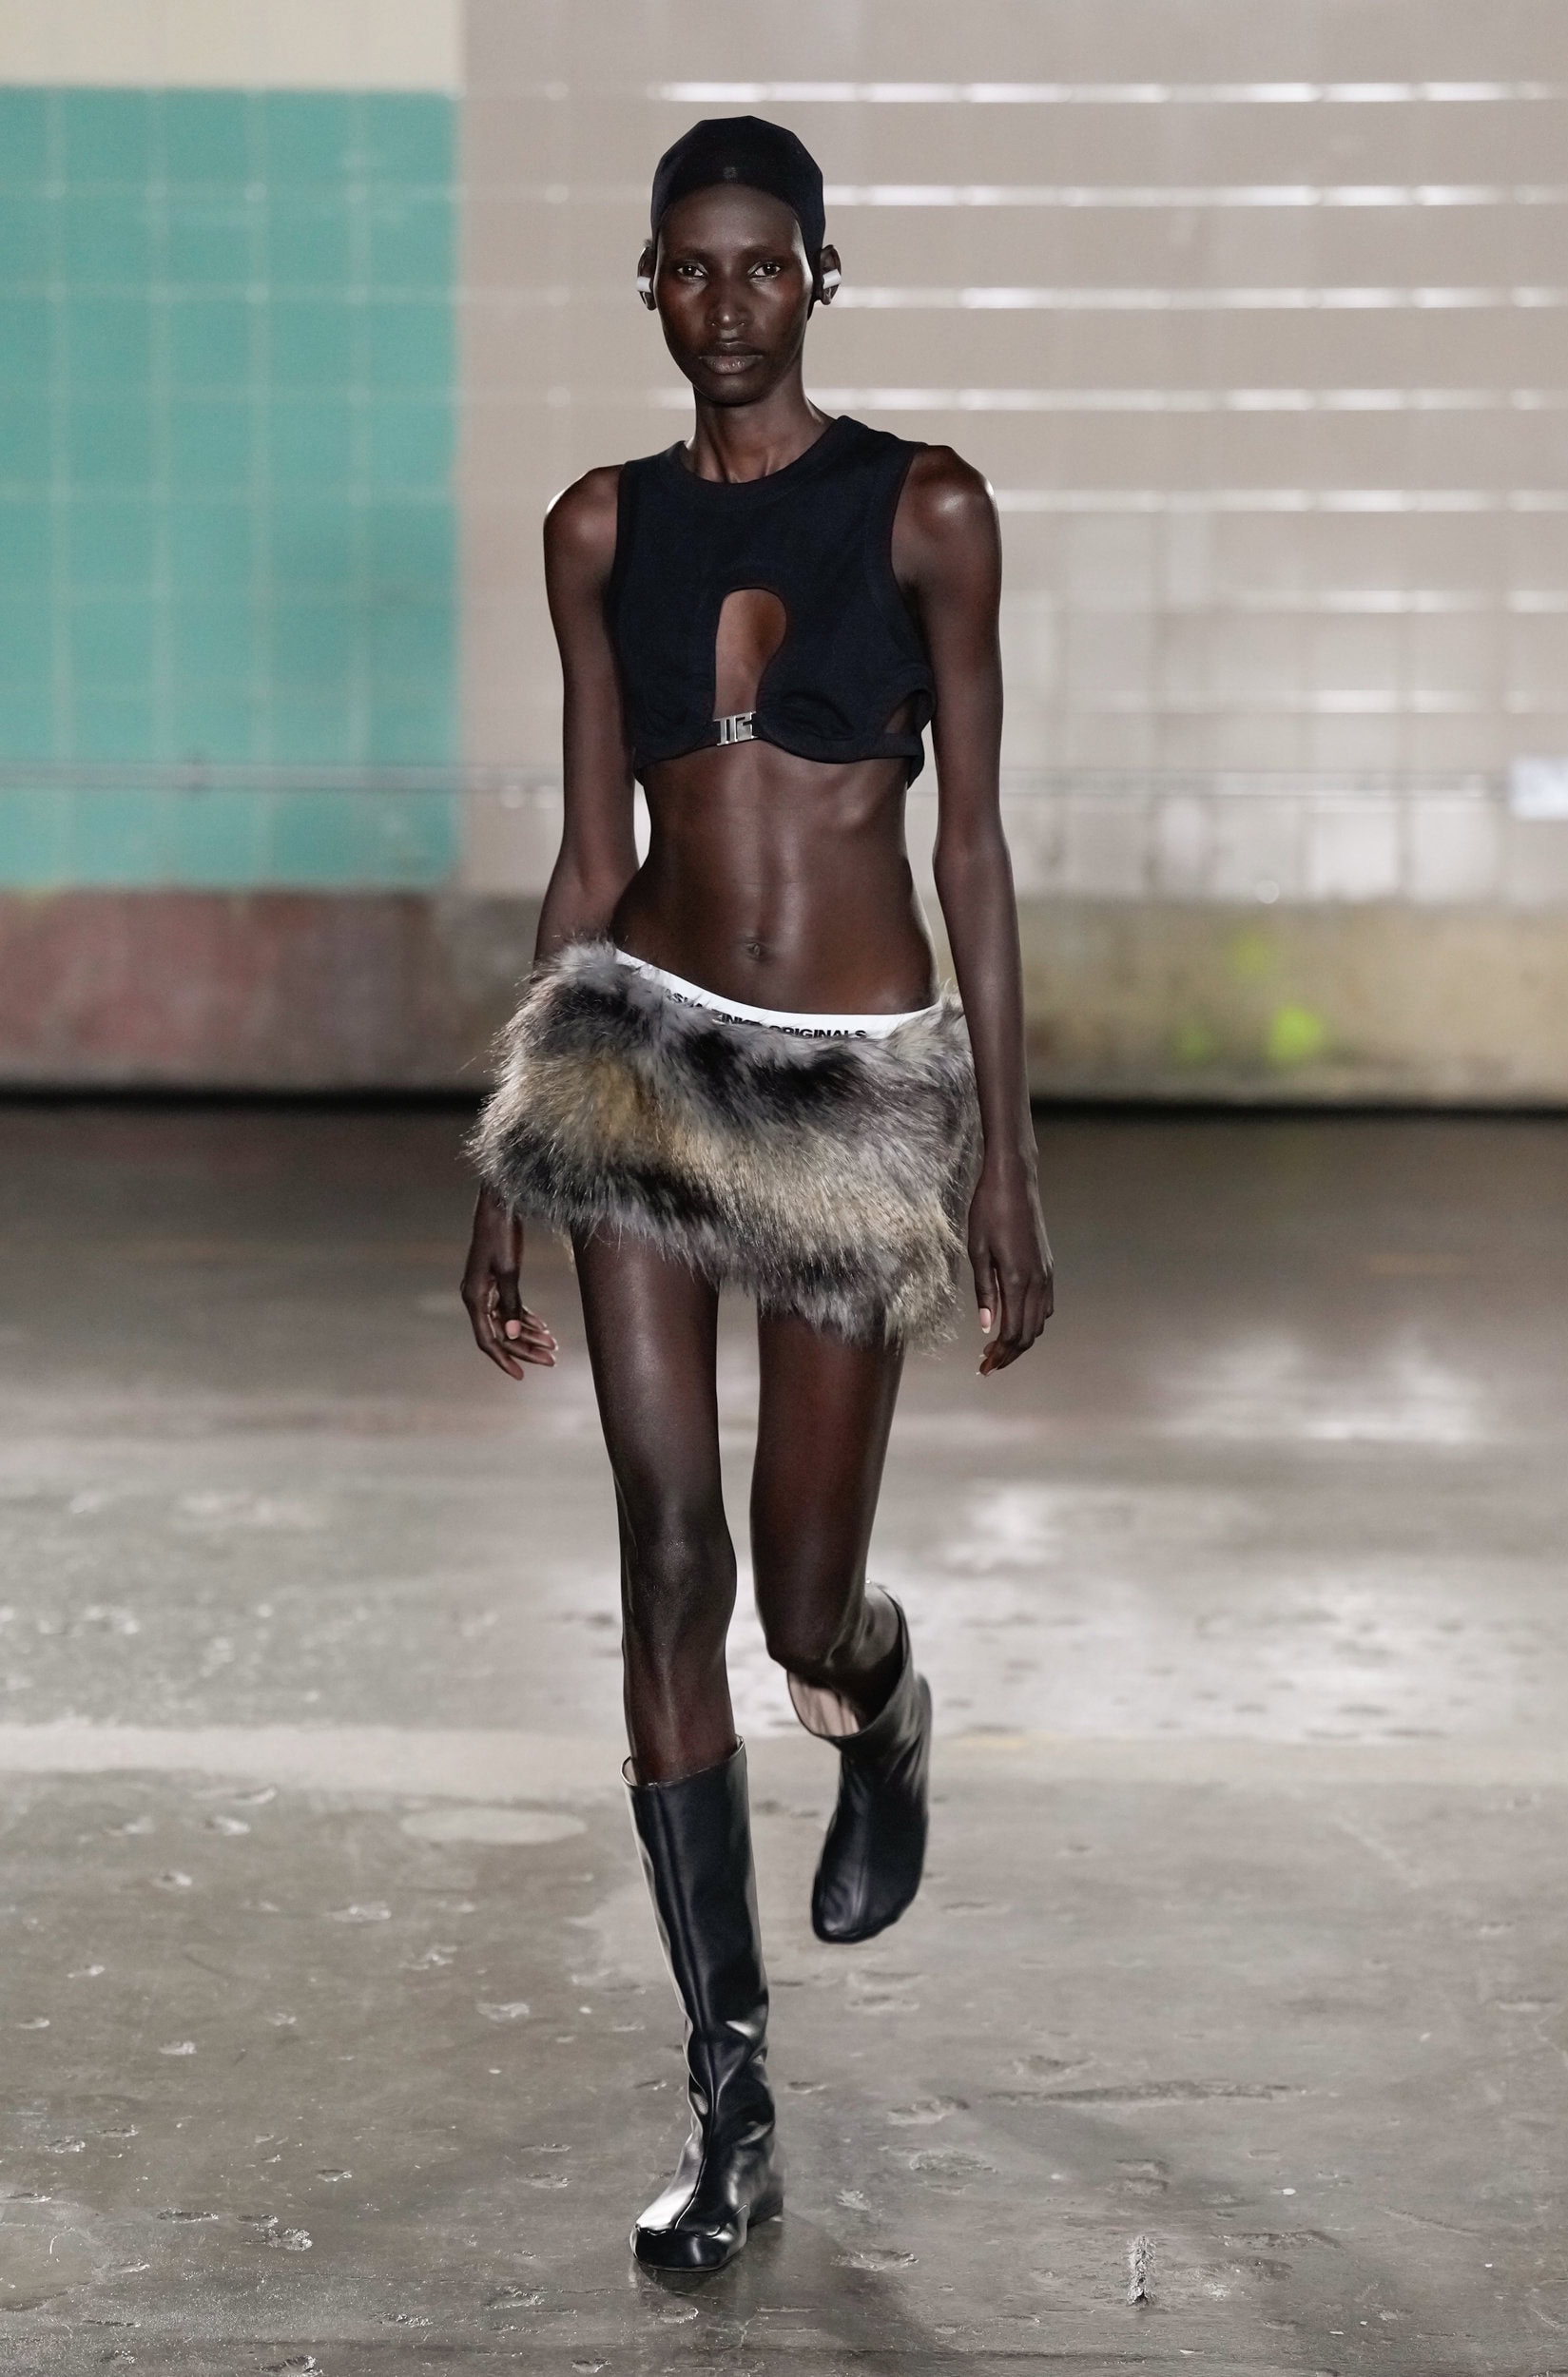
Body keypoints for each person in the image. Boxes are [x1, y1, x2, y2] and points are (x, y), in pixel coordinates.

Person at [460, 116, 1052, 2272]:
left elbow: (970, 846)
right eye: (690, 270)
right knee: (665, 1556)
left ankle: (879, 1703)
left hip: (850, 1090)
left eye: (763, 267)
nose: (727, 305)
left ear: (821, 276)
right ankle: (729, 2099)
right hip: (632, 1057)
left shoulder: (927, 509)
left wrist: (1003, 1156)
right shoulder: (598, 528)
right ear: (648, 283)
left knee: (797, 1602)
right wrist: (509, 1148)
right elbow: (585, 848)